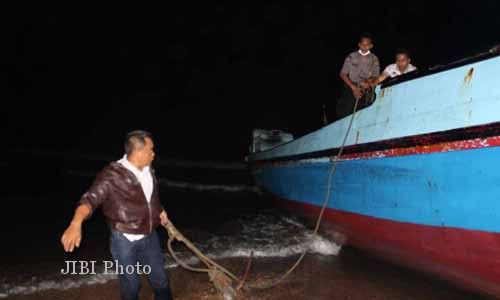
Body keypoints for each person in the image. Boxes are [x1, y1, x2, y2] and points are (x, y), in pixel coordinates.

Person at [61, 130, 174, 300]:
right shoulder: (111, 175)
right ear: (138, 153)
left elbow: (152, 196)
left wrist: (161, 211)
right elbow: (89, 199)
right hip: (124, 242)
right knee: (131, 286)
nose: (153, 154)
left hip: (150, 237)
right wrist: (76, 223)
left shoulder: (148, 169)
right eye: (150, 150)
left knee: (161, 280)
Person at [337, 33, 380, 119]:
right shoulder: (351, 56)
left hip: (365, 90)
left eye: (367, 45)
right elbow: (343, 74)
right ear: (359, 44)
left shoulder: (374, 59)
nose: (364, 46)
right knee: (345, 113)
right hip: (351, 87)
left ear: (371, 46)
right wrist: (353, 87)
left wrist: (368, 82)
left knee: (361, 115)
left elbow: (376, 76)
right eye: (362, 44)